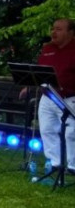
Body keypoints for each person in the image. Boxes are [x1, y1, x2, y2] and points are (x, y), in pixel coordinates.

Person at [36, 18, 75, 173]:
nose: (54, 32)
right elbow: (39, 71)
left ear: (70, 33)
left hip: (69, 98)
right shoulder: (47, 49)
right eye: (53, 28)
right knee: (47, 129)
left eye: (59, 29)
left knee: (72, 132)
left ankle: (73, 165)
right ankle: (55, 162)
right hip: (48, 96)